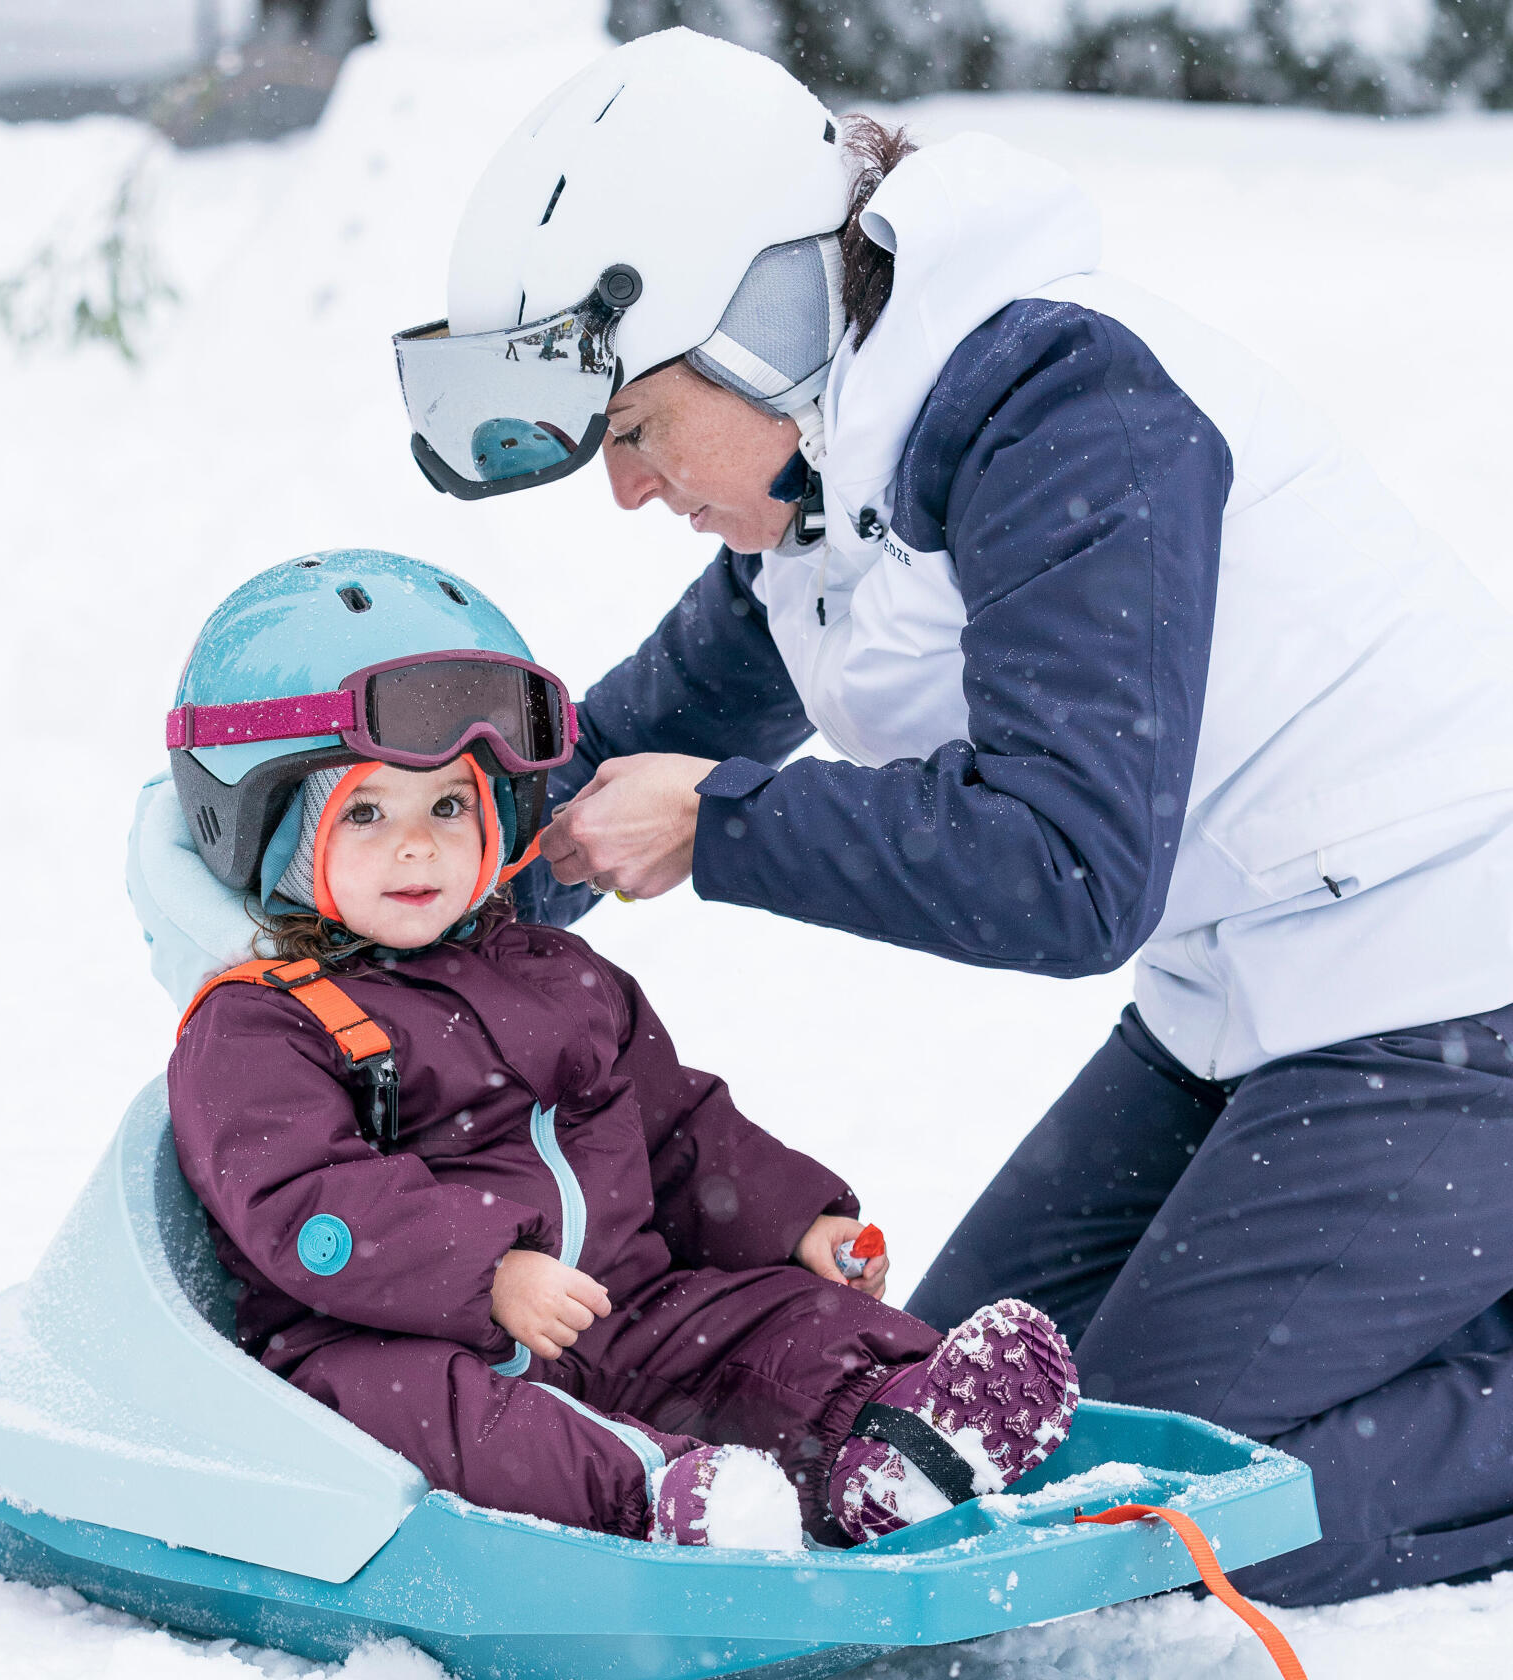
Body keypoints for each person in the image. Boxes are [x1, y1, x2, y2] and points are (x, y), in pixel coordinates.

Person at [384, 28, 1513, 1602]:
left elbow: (1063, 868)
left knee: (1129, 1514)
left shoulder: (1069, 415)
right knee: (940, 1426)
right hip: (1237, 1002)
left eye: (636, 428)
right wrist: (351, 909)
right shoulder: (826, 483)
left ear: (762, 317)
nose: (626, 490)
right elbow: (616, 754)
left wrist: (724, 827)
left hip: (1452, 986)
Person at [155, 550, 1080, 1548]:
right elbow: (306, 1201)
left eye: (450, 806)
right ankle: (668, 1497)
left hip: (620, 1311)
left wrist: (796, 1224)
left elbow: (678, 1129)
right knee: (411, 1410)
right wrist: (489, 1273)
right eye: (368, 812)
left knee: (772, 1319)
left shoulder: (557, 972)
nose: (418, 846)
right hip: (410, 1339)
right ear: (272, 825)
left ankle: (897, 1434)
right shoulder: (260, 1022)